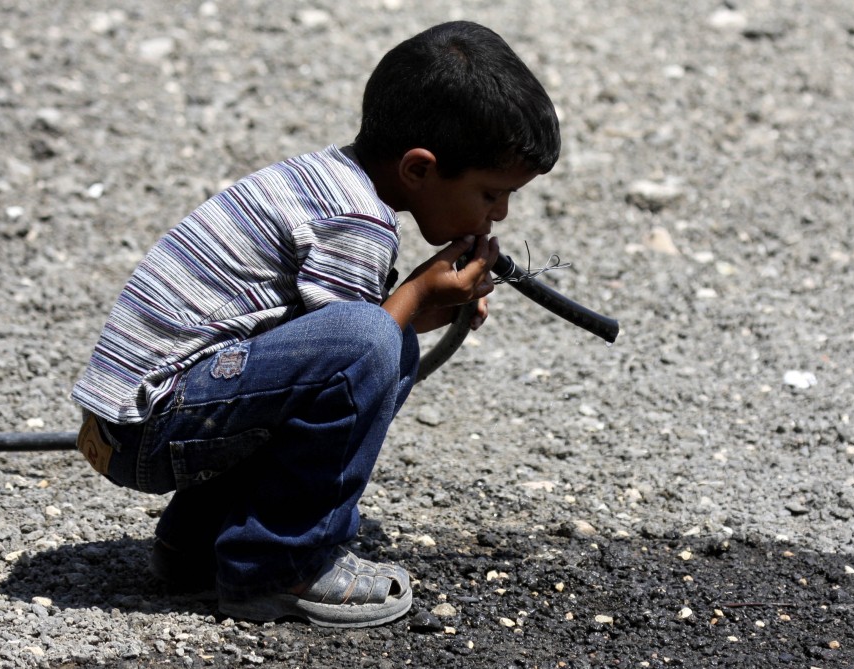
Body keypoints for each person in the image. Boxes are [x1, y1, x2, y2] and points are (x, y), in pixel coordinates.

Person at [71, 20, 560, 628]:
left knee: (379, 341)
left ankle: (196, 545)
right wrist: (410, 298)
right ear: (418, 169)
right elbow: (355, 355)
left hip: (130, 420)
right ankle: (279, 568)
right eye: (491, 194)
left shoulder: (326, 181)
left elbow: (311, 361)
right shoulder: (357, 219)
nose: (501, 213)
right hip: (153, 424)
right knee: (373, 342)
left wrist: (419, 304)